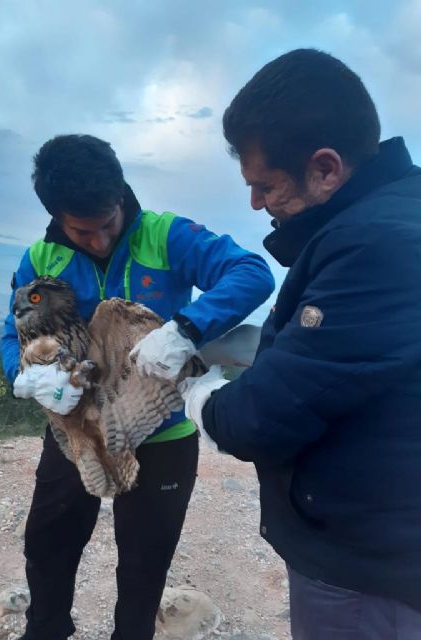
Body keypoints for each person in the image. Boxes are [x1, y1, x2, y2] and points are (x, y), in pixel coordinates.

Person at [180, 49, 421, 639]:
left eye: (265, 185)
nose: (256, 204)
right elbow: (343, 360)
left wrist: (200, 393)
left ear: (326, 168)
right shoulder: (394, 219)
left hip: (367, 568)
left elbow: (263, 415)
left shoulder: (375, 245)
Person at [1, 133, 275, 640]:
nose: (101, 241)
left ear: (121, 193)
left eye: (109, 223)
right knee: (48, 542)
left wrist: (186, 328)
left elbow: (252, 272)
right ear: (57, 216)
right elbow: (10, 330)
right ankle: (46, 631)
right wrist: (26, 378)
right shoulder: (40, 259)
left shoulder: (165, 234)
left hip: (164, 431)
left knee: (144, 562)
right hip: (78, 430)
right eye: (84, 232)